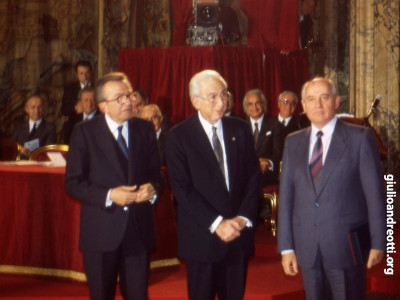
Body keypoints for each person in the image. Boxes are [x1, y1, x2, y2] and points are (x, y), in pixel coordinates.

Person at [277, 77, 385, 299]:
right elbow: (286, 197)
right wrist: (286, 247)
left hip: (346, 245)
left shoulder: (360, 139)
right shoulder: (293, 142)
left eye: (324, 98)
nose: (318, 105)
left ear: (336, 102)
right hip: (306, 246)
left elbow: (376, 196)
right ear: (303, 106)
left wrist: (380, 242)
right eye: (311, 99)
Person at [65, 72, 163, 300]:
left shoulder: (144, 129)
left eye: (128, 95)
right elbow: (73, 183)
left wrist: (153, 190)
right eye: (119, 98)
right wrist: (110, 195)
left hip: (138, 231)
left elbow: (157, 175)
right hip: (101, 231)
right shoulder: (84, 133)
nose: (128, 101)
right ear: (102, 106)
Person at [166, 70, 259, 300]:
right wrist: (217, 223)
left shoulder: (240, 128)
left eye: (224, 94)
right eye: (213, 97)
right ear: (195, 101)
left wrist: (242, 218)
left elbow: (253, 177)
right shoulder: (179, 136)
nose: (221, 102)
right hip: (202, 239)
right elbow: (182, 189)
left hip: (237, 237)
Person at [243, 89, 284, 186]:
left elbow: (278, 152)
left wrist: (268, 163)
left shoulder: (275, 125)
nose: (254, 107)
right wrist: (255, 163)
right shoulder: (241, 127)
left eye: (258, 103)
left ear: (264, 104)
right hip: (245, 178)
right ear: (246, 107)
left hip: (267, 176)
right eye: (250, 104)